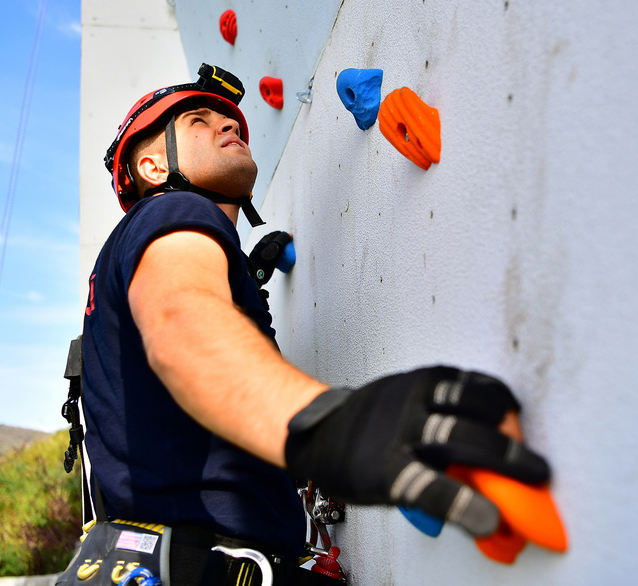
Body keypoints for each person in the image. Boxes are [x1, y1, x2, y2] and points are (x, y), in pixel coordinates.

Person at [79, 64, 551, 585]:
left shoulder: (153, 248)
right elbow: (181, 324)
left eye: (231, 119)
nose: (229, 125)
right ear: (151, 166)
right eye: (198, 120)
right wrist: (328, 426)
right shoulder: (172, 210)